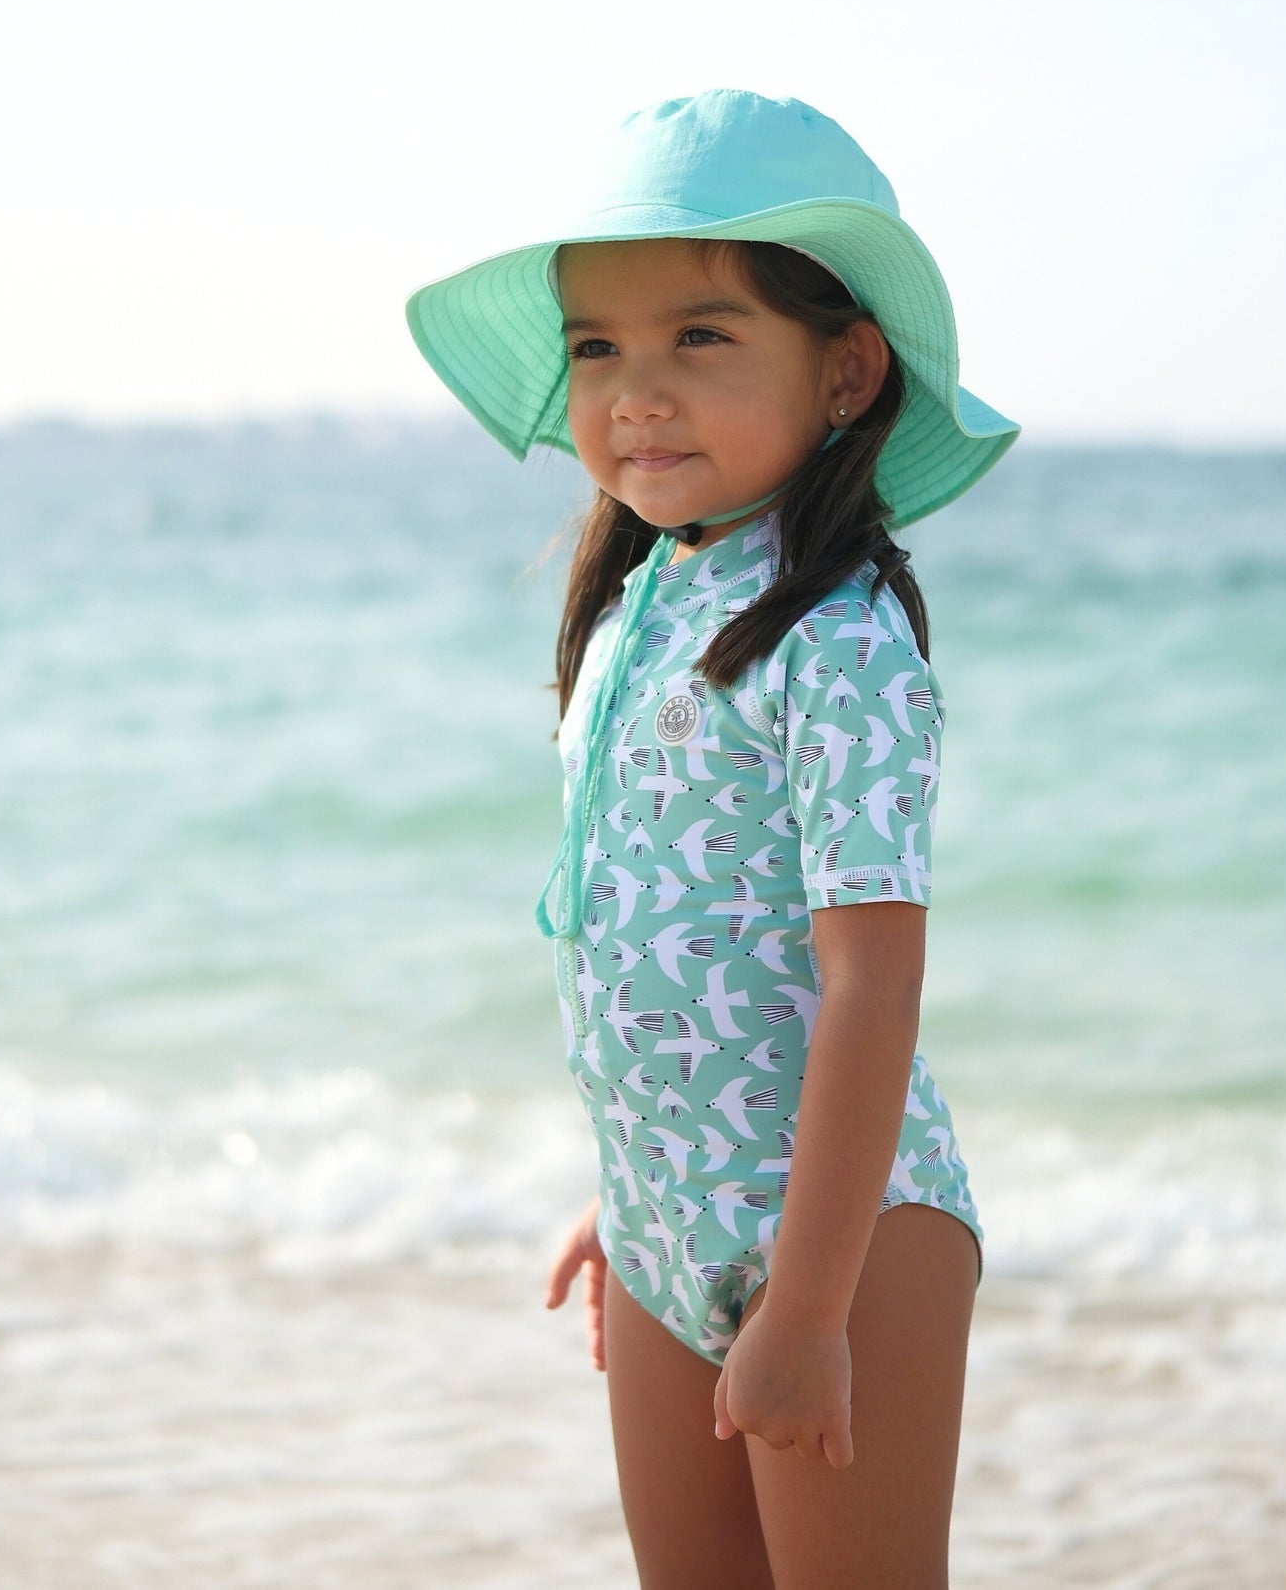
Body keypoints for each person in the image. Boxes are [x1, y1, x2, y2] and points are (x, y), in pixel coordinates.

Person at [404, 89, 1020, 1590]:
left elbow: (869, 990)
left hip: (844, 1234)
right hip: (673, 1226)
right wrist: (636, 1194)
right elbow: (660, 946)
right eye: (598, 346)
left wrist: (806, 1308)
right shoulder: (633, 611)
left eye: (699, 337)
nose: (636, 392)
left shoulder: (838, 639)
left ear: (845, 370)